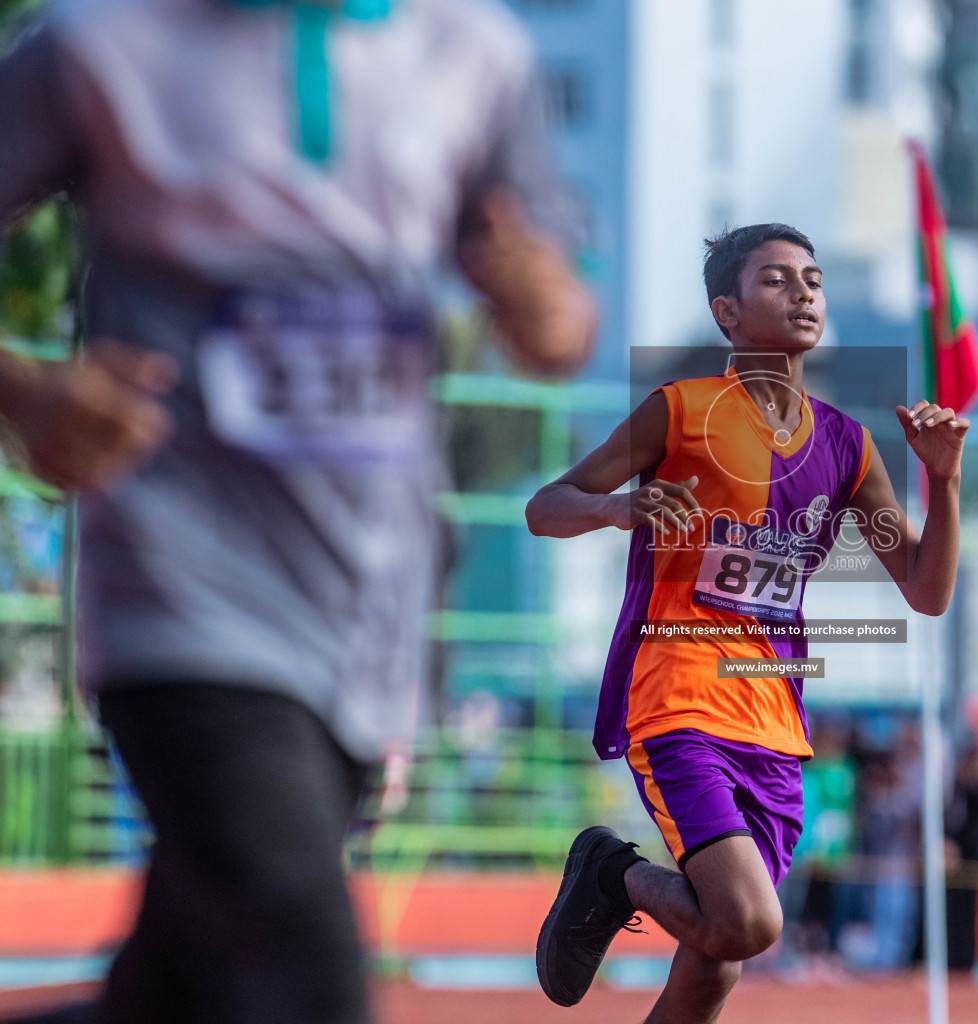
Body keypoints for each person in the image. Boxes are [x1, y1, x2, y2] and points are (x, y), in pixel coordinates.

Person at [0, 0, 594, 1018]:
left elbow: (563, 323)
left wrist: (542, 302)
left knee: (180, 990)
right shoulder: (101, 45)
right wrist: (26, 394)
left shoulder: (473, 53)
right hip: (176, 590)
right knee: (309, 972)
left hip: (367, 607)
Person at [525, 222, 967, 1020]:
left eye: (815, 278)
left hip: (774, 714)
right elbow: (544, 506)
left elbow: (926, 591)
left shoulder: (849, 445)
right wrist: (621, 508)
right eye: (777, 279)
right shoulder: (679, 410)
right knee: (748, 924)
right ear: (728, 313)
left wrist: (948, 481)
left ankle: (612, 877)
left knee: (713, 966)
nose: (804, 291)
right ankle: (610, 870)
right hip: (678, 696)